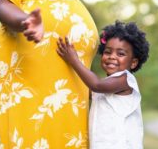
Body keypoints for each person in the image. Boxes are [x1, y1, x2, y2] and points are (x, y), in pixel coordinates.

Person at [0, 0, 98, 148]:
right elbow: (3, 4)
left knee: (62, 135)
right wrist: (26, 21)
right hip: (28, 60)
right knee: (30, 134)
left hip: (66, 70)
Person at [57, 21, 150, 149]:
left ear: (133, 63)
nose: (112, 57)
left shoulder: (126, 80)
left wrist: (74, 60)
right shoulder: (104, 86)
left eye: (120, 54)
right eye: (107, 52)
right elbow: (85, 89)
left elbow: (96, 85)